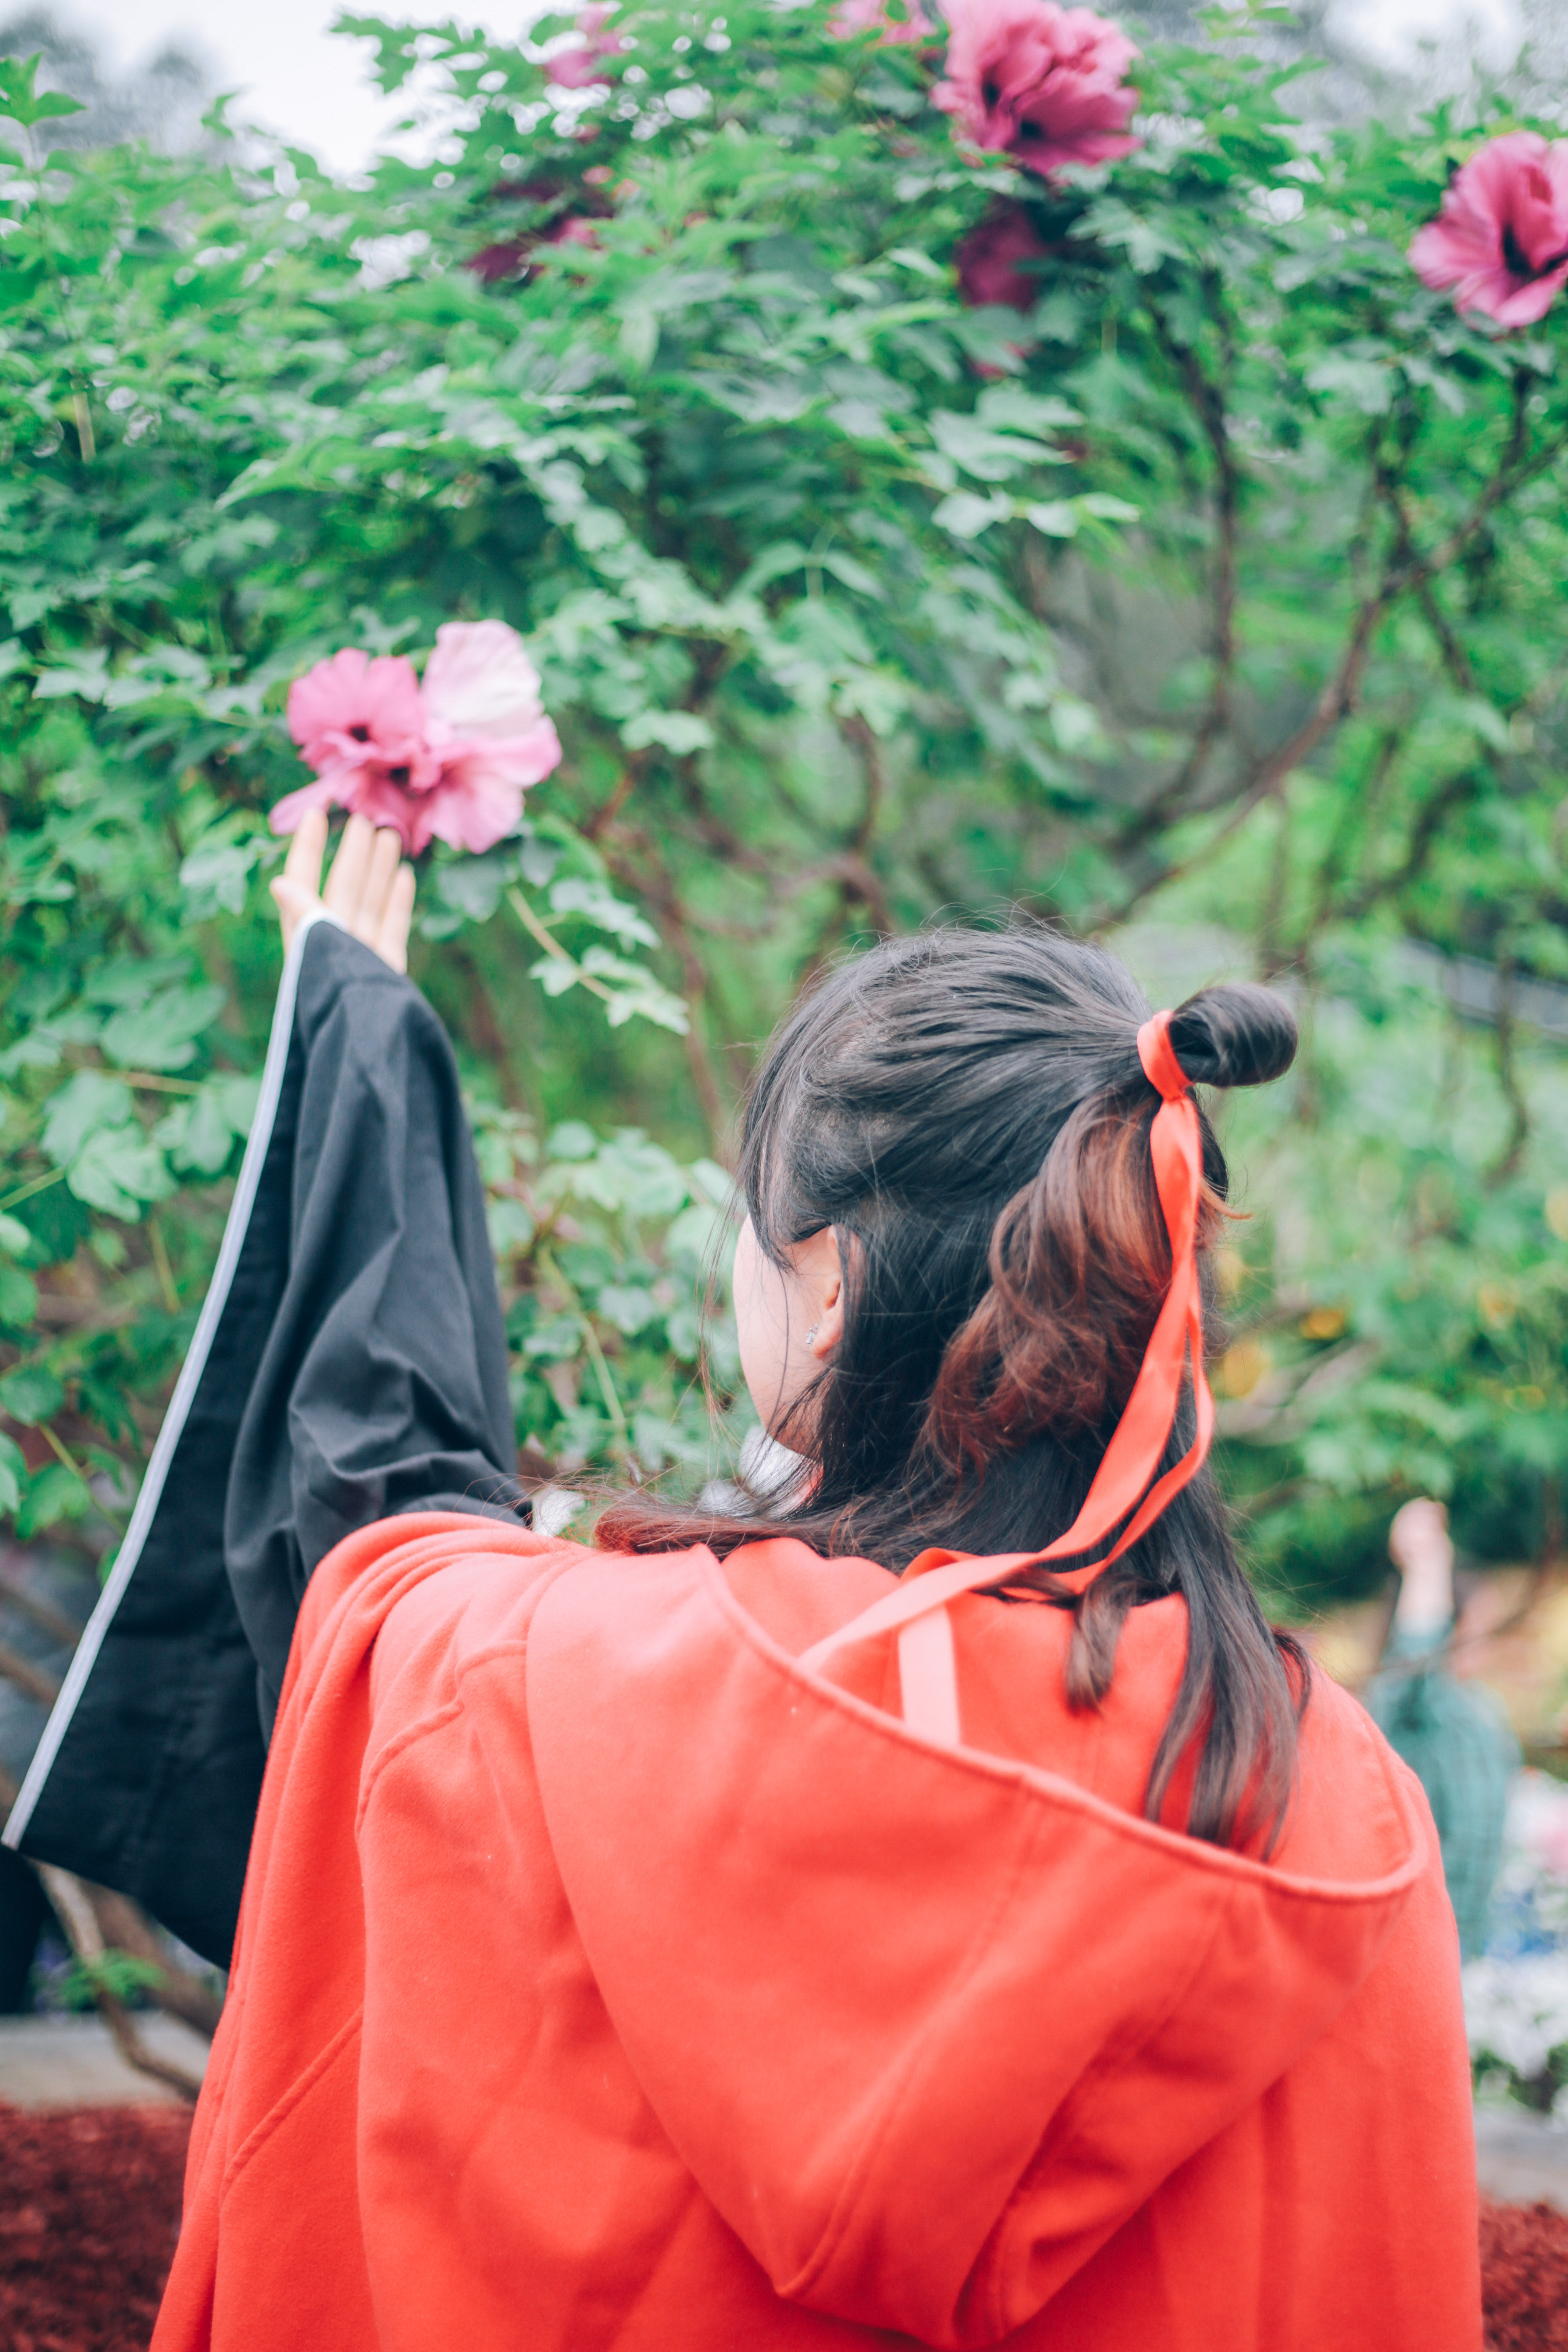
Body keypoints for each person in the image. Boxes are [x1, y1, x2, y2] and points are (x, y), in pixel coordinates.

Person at [145, 814, 1476, 2351]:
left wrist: (361, 1050)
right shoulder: (1332, 1805)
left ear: (829, 1279)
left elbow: (385, 1515)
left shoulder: (569, 1685)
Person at [1370, 1496, 1520, 1958]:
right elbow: (1418, 1656)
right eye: (1480, 1623)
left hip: (1465, 1944)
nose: (1489, 1638)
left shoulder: (1478, 1706)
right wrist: (1427, 1563)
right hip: (1413, 1944)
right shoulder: (1414, 1704)